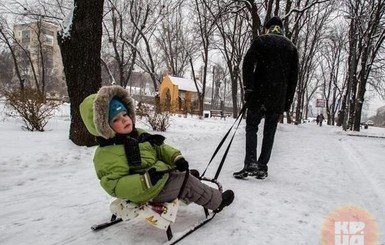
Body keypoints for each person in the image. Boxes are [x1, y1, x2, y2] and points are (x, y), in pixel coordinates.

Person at [79, 85, 234, 213]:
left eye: (125, 114)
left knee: (183, 173)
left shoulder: (137, 135)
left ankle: (183, 180)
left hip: (159, 179)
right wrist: (144, 181)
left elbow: (159, 148)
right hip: (146, 192)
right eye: (116, 119)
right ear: (104, 127)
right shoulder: (106, 155)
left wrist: (176, 158)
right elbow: (115, 186)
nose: (124, 119)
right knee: (187, 182)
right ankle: (217, 201)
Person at [233, 16, 299, 180]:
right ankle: (262, 167)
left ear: (268, 28)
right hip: (278, 97)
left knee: (252, 127)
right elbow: (294, 78)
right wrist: (287, 102)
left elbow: (247, 63)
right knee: (270, 132)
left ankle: (250, 163)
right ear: (281, 28)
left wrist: (248, 87)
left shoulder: (261, 41)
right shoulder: (291, 47)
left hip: (259, 93)